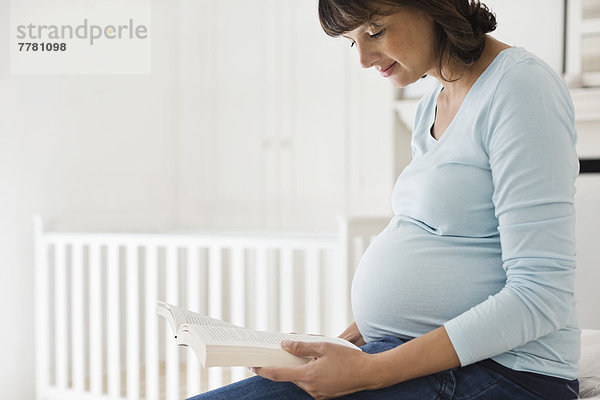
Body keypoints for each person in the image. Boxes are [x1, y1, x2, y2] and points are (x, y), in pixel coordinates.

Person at [189, 0, 580, 398]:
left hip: (503, 372)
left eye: (375, 31)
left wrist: (371, 371)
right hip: (415, 355)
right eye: (351, 41)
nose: (363, 58)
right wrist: (344, 346)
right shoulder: (433, 101)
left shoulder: (521, 88)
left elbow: (541, 295)